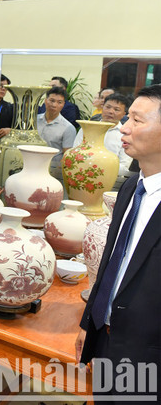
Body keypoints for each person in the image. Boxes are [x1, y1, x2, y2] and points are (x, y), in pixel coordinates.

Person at [76, 84, 161, 402]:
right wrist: (90, 323)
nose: (123, 127)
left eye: (137, 120)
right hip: (109, 343)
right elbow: (114, 262)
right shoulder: (128, 190)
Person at [72, 93, 134, 190]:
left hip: (111, 183)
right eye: (108, 107)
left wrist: (98, 168)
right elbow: (74, 153)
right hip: (81, 178)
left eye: (116, 109)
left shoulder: (126, 135)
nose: (110, 111)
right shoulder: (87, 128)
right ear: (102, 107)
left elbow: (124, 167)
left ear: (124, 114)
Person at [37, 86, 76, 181]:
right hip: (31, 164)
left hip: (52, 171)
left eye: (59, 102)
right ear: (45, 101)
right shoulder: (34, 120)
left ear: (63, 104)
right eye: (52, 100)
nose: (54, 105)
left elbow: (67, 156)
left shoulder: (68, 128)